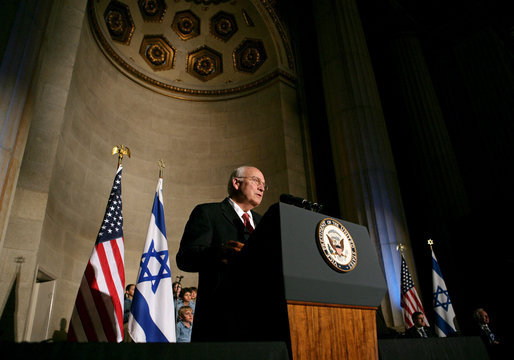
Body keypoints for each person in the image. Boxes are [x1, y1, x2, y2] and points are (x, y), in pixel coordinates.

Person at [176, 165, 266, 341]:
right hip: (221, 319)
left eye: (264, 184)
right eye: (256, 181)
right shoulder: (208, 213)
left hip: (260, 320)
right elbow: (185, 257)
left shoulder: (263, 222)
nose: (262, 187)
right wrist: (219, 253)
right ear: (236, 183)